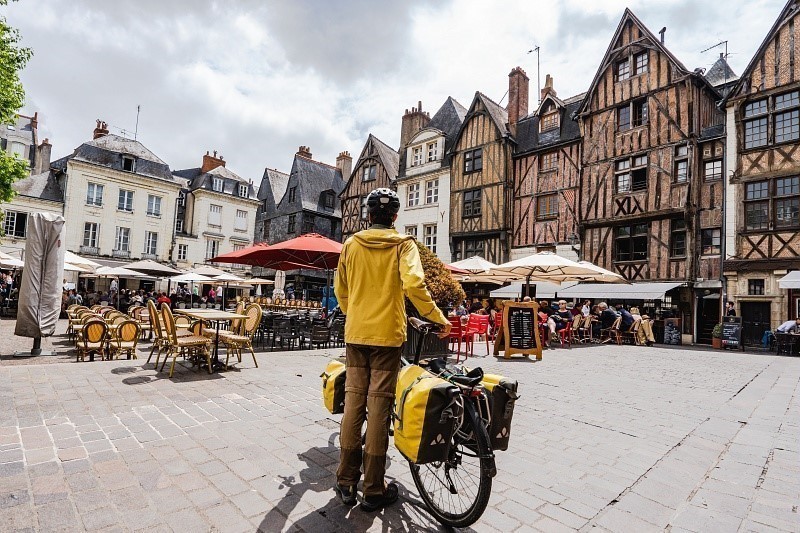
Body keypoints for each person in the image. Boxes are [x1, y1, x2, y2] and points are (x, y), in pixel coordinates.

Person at [333, 188, 451, 512]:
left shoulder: (351, 245)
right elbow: (414, 284)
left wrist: (355, 312)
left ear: (367, 215)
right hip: (387, 338)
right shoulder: (403, 245)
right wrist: (437, 317)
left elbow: (340, 291)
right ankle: (373, 488)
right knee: (380, 409)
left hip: (356, 336)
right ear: (395, 217)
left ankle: (345, 481)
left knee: (354, 404)